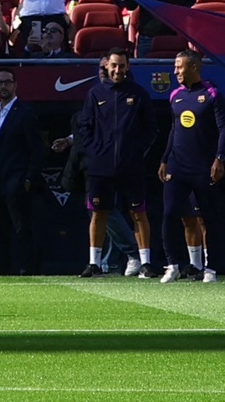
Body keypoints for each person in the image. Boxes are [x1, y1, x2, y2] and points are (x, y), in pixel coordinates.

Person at [74, 43, 158, 277]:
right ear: (106, 66)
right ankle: (94, 263)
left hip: (131, 165)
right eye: (113, 66)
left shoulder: (138, 93)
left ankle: (145, 263)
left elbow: (151, 128)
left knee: (138, 213)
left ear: (128, 66)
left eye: (121, 66)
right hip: (101, 166)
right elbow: (85, 126)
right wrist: (95, 151)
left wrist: (137, 150)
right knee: (99, 213)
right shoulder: (95, 93)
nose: (117, 70)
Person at [154, 47, 224, 283]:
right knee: (169, 213)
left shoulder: (212, 94)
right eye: (175, 67)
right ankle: (172, 265)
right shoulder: (175, 95)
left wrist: (220, 158)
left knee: (208, 218)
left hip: (203, 166)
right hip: (177, 165)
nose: (176, 72)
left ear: (194, 67)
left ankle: (211, 268)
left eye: (180, 67)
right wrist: (165, 158)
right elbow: (174, 129)